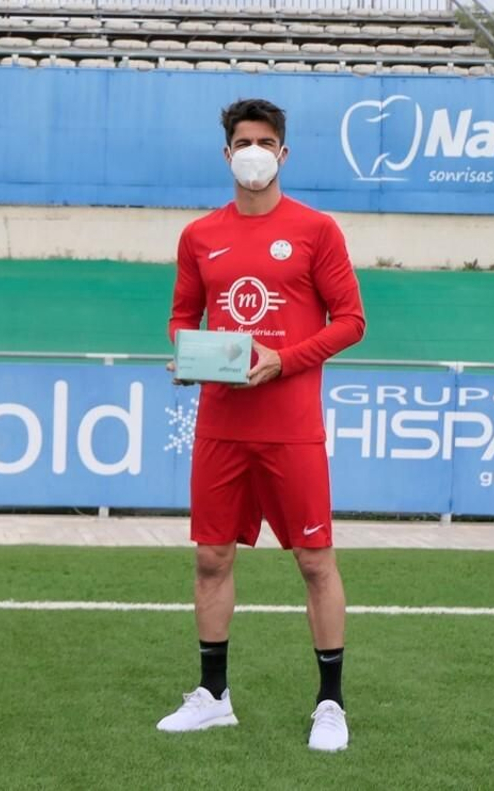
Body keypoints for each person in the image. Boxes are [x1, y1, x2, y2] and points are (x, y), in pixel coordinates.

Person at [157, 98, 366, 753]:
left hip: (292, 427)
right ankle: (213, 696)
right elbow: (183, 314)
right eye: (242, 140)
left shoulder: (316, 230)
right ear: (227, 154)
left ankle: (330, 703)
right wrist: (188, 358)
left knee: (314, 561)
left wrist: (284, 361)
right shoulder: (199, 236)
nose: (253, 151)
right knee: (211, 556)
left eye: (265, 140)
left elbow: (350, 320)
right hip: (221, 424)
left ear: (283, 153)